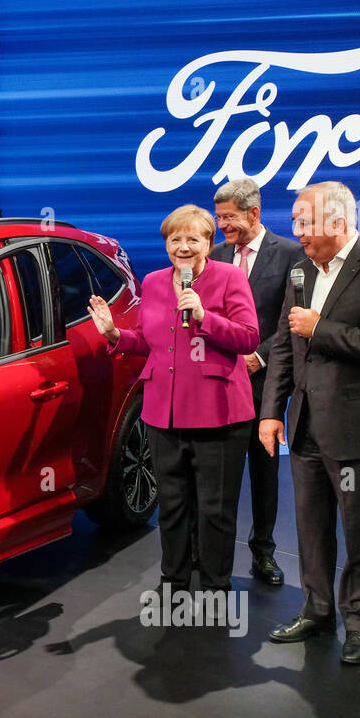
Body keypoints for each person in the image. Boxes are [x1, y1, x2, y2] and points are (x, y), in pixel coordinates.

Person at [259, 181, 360, 664]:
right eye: (295, 224)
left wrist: (319, 329)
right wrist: (270, 412)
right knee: (310, 527)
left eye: (305, 223)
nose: (298, 233)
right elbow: (284, 347)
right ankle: (317, 610)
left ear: (337, 221)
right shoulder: (301, 271)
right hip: (306, 424)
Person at [88, 205, 259, 595]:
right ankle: (174, 581)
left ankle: (216, 584)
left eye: (192, 239)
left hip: (219, 413)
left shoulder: (229, 278)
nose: (183, 247)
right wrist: (115, 334)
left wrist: (204, 316)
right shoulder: (153, 282)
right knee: (173, 504)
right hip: (163, 413)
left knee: (215, 509)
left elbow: (248, 337)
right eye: (175, 239)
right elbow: (151, 343)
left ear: (208, 244)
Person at [210, 178, 306, 587]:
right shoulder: (213, 255)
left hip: (265, 383)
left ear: (254, 213)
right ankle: (216, 560)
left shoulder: (290, 254)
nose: (221, 227)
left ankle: (263, 554)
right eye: (218, 219)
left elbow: (295, 316)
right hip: (218, 385)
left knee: (264, 474)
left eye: (228, 218)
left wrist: (259, 354)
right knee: (222, 477)